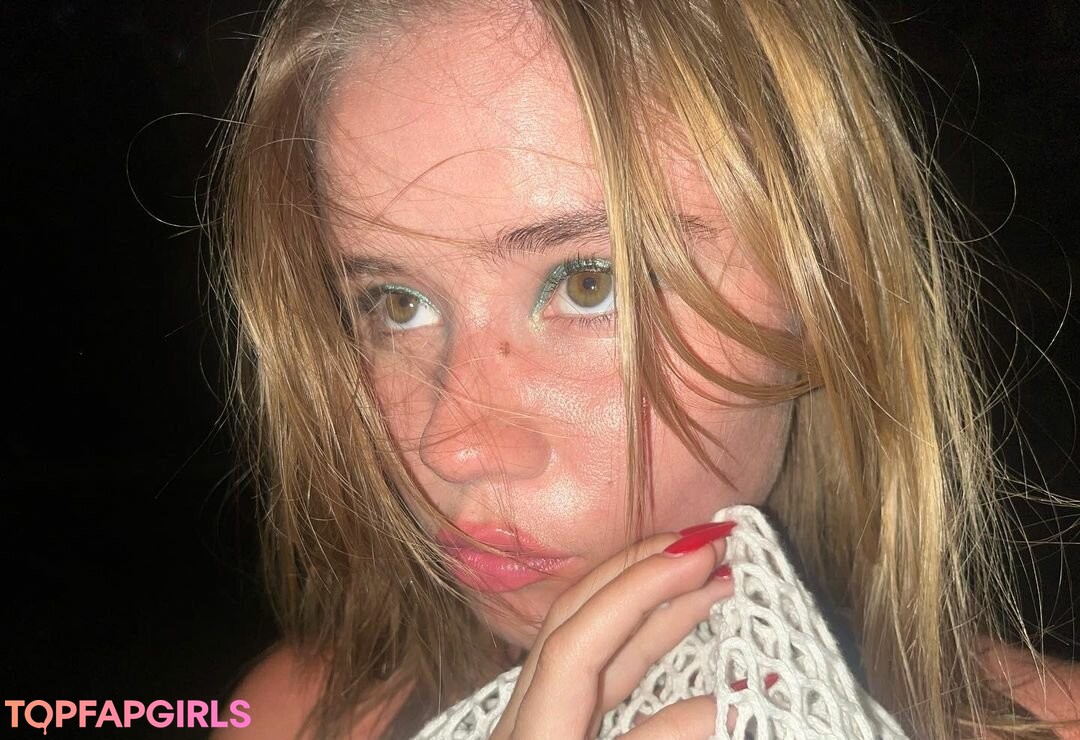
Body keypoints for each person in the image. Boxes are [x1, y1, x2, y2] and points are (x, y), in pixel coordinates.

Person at [207, 0, 1079, 737]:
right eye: (395, 303)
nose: (450, 446)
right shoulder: (289, 716)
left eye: (589, 282)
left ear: (824, 285)